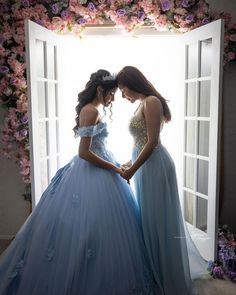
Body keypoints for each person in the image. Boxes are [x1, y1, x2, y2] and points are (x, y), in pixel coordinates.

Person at [0, 69, 163, 295]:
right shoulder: (90, 111)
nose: (113, 98)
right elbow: (84, 153)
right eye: (111, 93)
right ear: (100, 89)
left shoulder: (95, 110)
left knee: (104, 228)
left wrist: (117, 165)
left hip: (103, 167)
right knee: (87, 227)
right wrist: (115, 168)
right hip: (90, 171)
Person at [117, 66, 209, 295]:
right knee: (149, 219)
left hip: (156, 167)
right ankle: (155, 269)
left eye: (123, 89)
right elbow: (141, 142)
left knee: (158, 221)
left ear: (131, 83)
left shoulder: (151, 102)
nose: (122, 95)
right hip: (145, 166)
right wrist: (130, 162)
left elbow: (152, 142)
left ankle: (166, 275)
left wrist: (132, 169)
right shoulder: (142, 103)